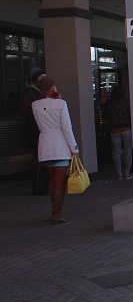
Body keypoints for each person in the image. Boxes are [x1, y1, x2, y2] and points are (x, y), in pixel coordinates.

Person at [31, 78, 79, 223]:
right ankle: (56, 214)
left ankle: (55, 211)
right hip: (60, 144)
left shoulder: (35, 105)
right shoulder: (61, 104)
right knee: (59, 181)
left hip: (44, 143)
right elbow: (66, 128)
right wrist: (74, 147)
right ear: (53, 87)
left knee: (52, 180)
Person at [19, 66, 49, 195]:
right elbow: (25, 111)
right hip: (36, 129)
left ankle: (43, 186)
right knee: (39, 158)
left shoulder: (39, 92)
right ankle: (39, 187)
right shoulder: (30, 92)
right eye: (41, 78)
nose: (44, 80)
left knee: (44, 157)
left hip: (41, 129)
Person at [103, 84, 133, 180]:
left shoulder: (109, 103)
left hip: (114, 129)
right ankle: (127, 173)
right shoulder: (126, 103)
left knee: (116, 152)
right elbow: (130, 115)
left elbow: (104, 116)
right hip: (126, 128)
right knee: (128, 151)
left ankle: (119, 173)